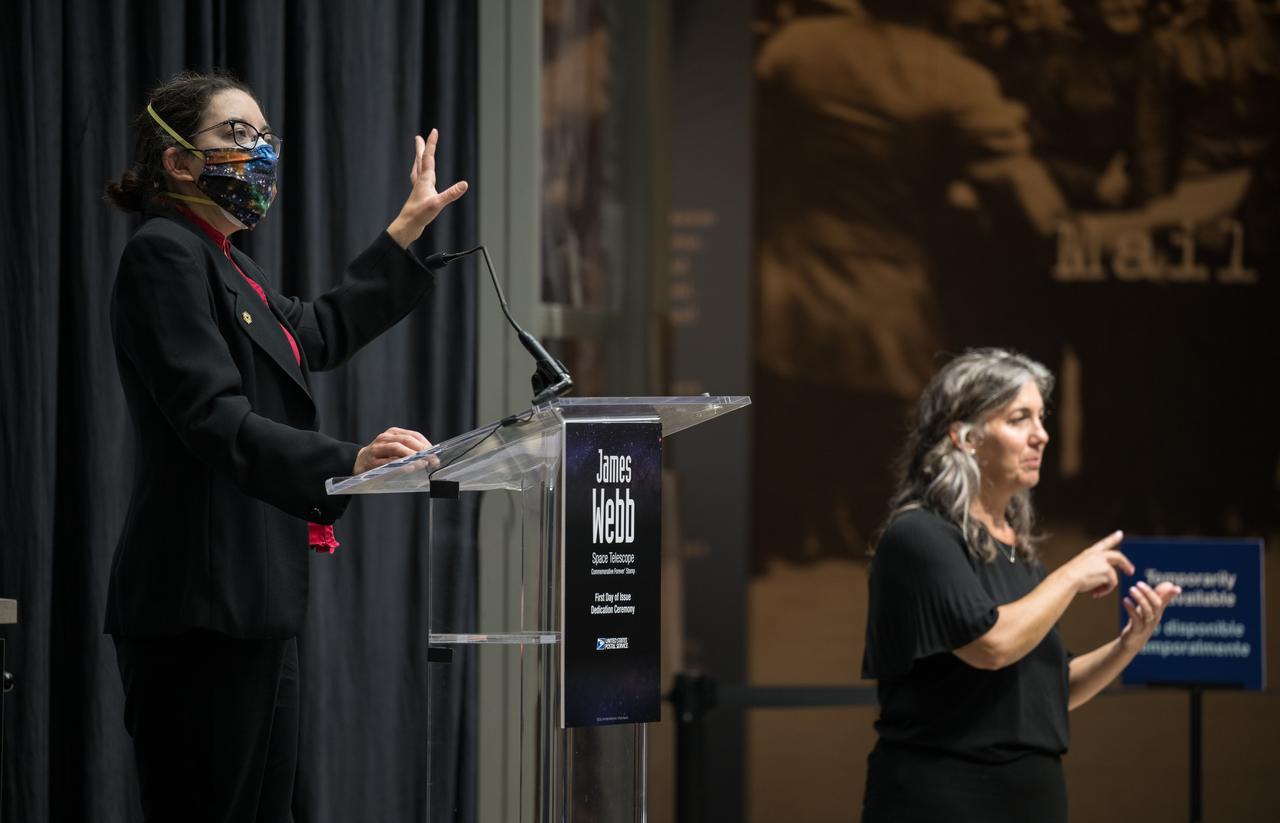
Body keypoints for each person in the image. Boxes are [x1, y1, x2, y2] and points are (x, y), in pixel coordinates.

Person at [102, 69, 466, 821]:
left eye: (265, 136)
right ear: (177, 161)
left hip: (257, 605)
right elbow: (214, 419)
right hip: (197, 607)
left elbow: (319, 331)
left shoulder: (231, 266)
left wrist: (403, 235)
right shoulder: (164, 255)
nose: (259, 151)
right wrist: (348, 461)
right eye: (237, 135)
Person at [861, 349, 1180, 823]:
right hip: (944, 799)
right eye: (1019, 418)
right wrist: (1070, 576)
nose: (1042, 435)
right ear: (965, 437)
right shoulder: (920, 535)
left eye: (1041, 417)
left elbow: (1051, 688)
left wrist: (1128, 644)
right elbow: (991, 645)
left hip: (1030, 800)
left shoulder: (1011, 546)